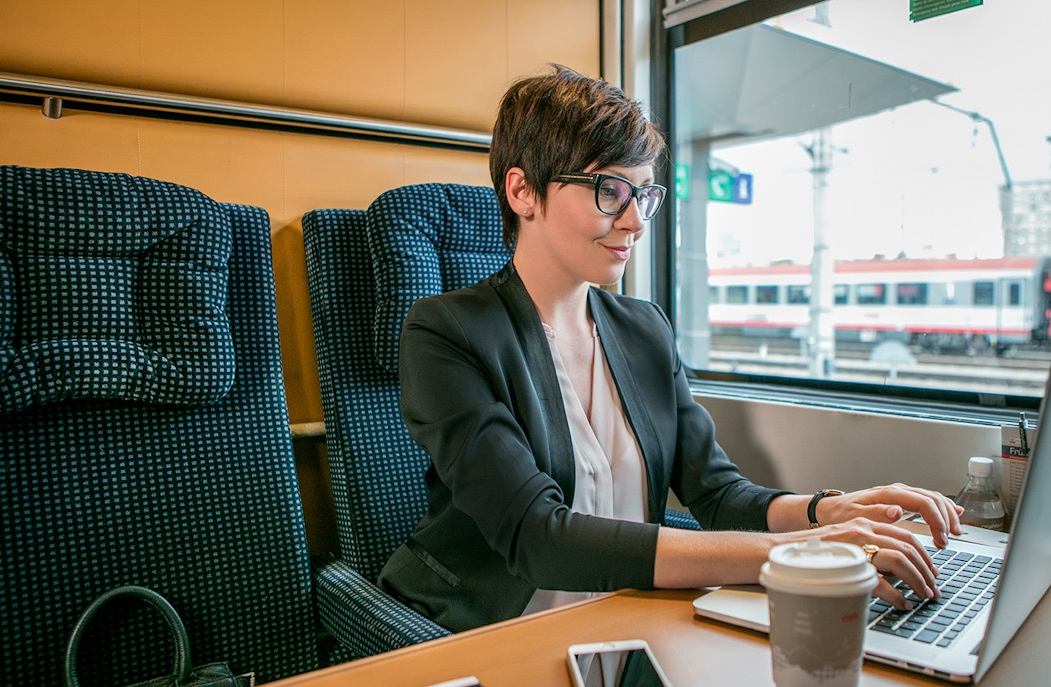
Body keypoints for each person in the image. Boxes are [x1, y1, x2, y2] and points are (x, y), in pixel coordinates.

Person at [377, 64, 963, 633]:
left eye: (642, 195)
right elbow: (539, 537)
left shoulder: (644, 329)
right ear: (523, 191)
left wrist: (825, 511)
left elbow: (718, 494)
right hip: (494, 632)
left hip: (628, 621)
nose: (635, 221)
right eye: (610, 191)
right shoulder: (446, 333)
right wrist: (803, 551)